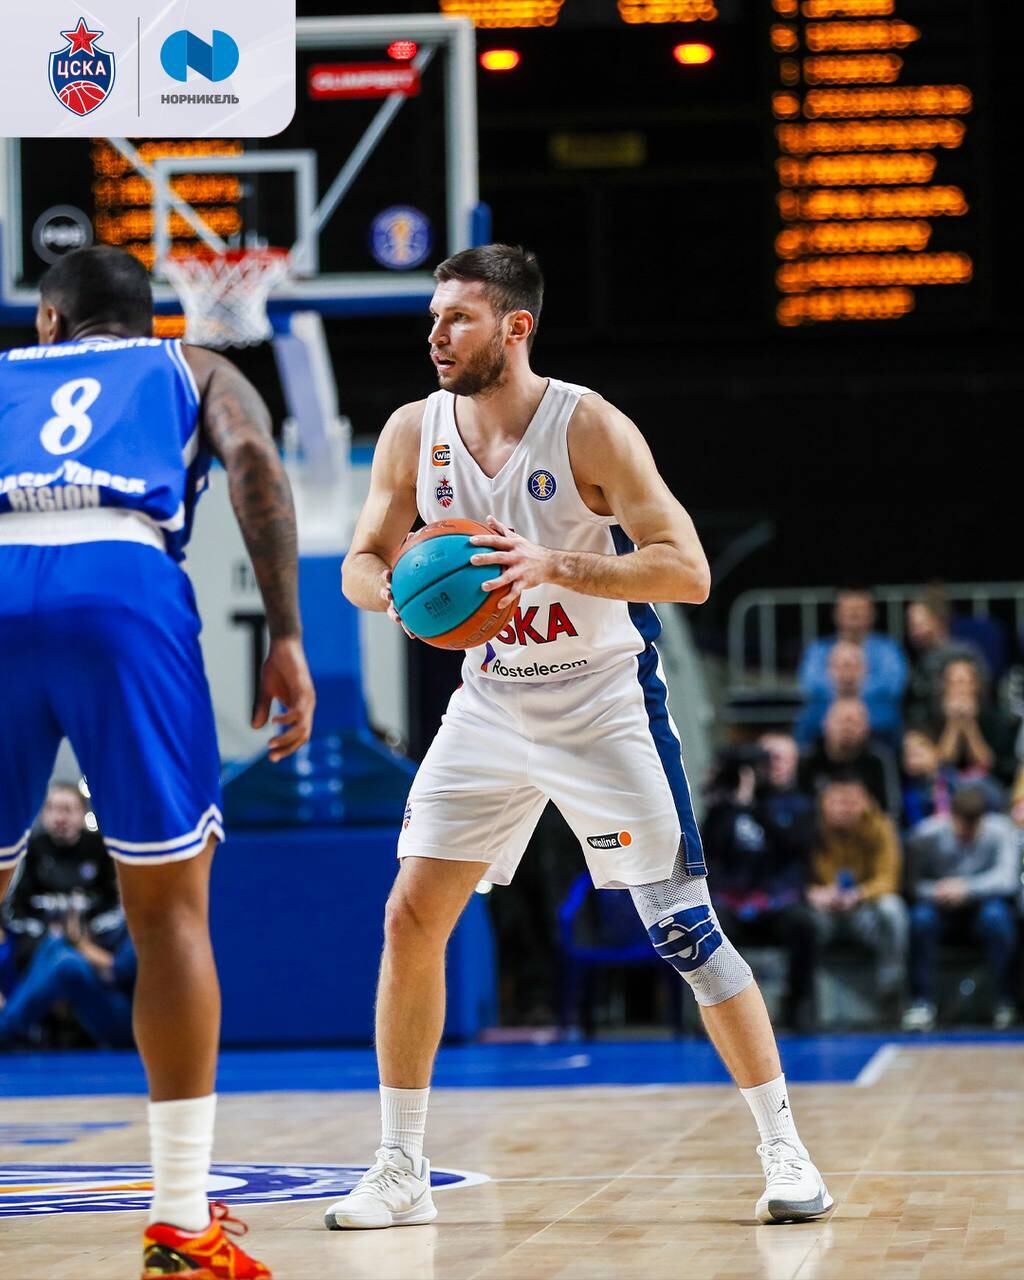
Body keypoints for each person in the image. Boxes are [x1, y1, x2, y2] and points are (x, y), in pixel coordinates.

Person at [336, 243, 832, 1230]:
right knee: (409, 917)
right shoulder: (412, 431)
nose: (437, 335)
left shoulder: (588, 426)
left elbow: (687, 570)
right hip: (490, 702)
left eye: (459, 318)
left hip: (603, 701)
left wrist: (556, 564)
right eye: (433, 318)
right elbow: (361, 557)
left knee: (684, 931)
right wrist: (393, 592)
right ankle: (400, 1166)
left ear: (515, 327)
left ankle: (787, 1148)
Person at [0, 246, 316, 1280]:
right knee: (168, 911)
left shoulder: (6, 371)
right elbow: (254, 461)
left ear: (50, 321)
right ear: (149, 319)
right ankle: (180, 1221)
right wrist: (285, 634)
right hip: (121, 577)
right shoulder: (193, 365)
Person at [0, 781, 134, 1047]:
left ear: (82, 813)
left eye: (67, 809)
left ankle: (6, 1027)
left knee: (65, 959)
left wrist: (80, 940)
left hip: (109, 993)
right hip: (43, 954)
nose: (59, 817)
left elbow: (116, 967)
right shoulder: (29, 851)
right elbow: (12, 912)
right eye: (52, 808)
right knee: (57, 949)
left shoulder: (103, 853)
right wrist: (55, 935)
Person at [702, 747, 818, 1031]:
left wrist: (753, 806)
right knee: (707, 928)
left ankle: (797, 1006)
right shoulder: (720, 810)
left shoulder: (791, 804)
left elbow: (794, 846)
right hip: (732, 903)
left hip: (774, 902)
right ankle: (718, 1013)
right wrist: (728, 805)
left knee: (802, 923)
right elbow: (710, 851)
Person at [902, 784, 1020, 1032]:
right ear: (950, 816)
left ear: (983, 818)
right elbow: (911, 884)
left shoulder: (1001, 831)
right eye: (962, 823)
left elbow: (1008, 880)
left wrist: (967, 888)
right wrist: (937, 891)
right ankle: (922, 1004)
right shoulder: (926, 835)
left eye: (974, 824)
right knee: (920, 918)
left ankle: (1005, 1002)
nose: (968, 831)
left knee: (997, 917)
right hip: (940, 909)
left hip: (981, 909)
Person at [806, 774, 908, 1020]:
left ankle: (891, 989)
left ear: (866, 803)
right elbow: (793, 874)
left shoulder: (881, 827)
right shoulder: (810, 828)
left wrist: (859, 894)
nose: (844, 809)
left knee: (893, 908)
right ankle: (806, 997)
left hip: (864, 910)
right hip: (824, 910)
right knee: (799, 918)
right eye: (837, 802)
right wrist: (813, 893)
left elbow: (889, 879)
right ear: (823, 804)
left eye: (851, 802)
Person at [798, 588, 906, 735]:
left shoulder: (888, 648)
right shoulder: (817, 649)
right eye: (848, 609)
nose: (854, 614)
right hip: (825, 712)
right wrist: (842, 706)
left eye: (860, 609)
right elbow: (811, 685)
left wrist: (852, 698)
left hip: (876, 714)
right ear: (836, 614)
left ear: (872, 614)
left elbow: (893, 686)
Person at [798, 696, 902, 819]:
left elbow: (892, 809)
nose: (847, 728)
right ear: (825, 724)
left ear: (867, 728)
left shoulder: (879, 759)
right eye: (841, 721)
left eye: (855, 723)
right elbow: (797, 807)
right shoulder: (808, 757)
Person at [928, 657, 1020, 788]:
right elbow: (941, 763)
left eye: (963, 682)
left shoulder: (993, 717)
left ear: (975, 685)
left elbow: (986, 763)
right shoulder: (932, 715)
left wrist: (969, 724)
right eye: (952, 683)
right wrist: (953, 724)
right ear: (944, 686)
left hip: (986, 784)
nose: (959, 689)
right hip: (945, 784)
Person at [795, 638, 900, 749]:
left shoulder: (887, 715)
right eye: (840, 665)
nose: (847, 672)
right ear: (828, 670)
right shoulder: (812, 714)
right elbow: (802, 751)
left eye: (854, 665)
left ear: (866, 670)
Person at [903, 588, 986, 726]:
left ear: (938, 620)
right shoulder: (915, 658)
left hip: (968, 722)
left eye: (919, 623)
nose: (913, 630)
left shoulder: (963, 653)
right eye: (910, 624)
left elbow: (982, 697)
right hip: (926, 729)